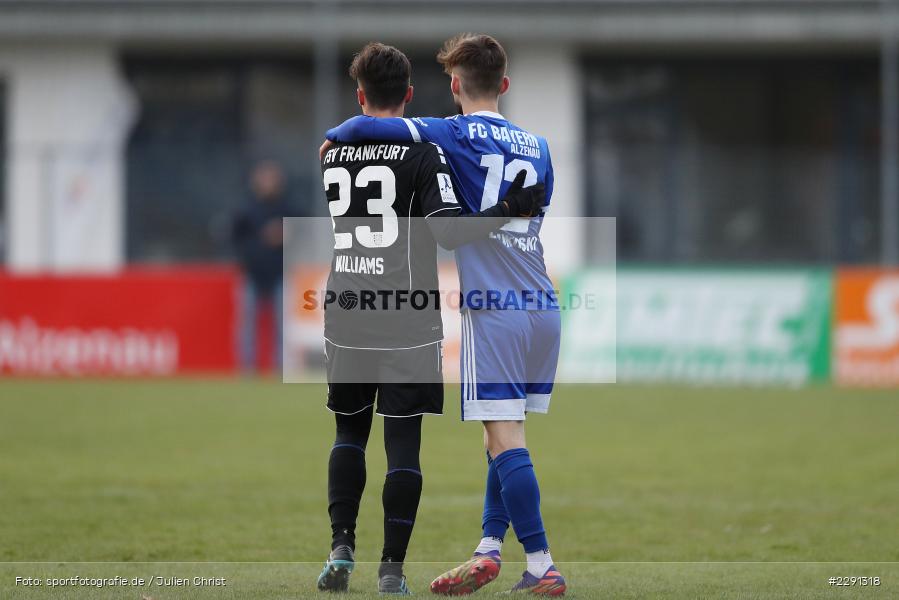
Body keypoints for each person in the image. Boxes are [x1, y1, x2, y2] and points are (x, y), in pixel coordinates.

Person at [322, 34, 566, 596]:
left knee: (504, 438)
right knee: (503, 436)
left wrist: (335, 136)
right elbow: (534, 213)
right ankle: (487, 547)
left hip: (494, 309)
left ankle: (541, 564)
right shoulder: (540, 146)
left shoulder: (445, 133)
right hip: (542, 304)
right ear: (504, 84)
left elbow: (378, 127)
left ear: (454, 87)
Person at [232, 160, 290, 374]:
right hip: (252, 274)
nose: (267, 183)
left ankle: (281, 369)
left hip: (280, 273)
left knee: (282, 326)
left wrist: (285, 233)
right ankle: (246, 370)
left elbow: (303, 233)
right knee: (246, 325)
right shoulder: (245, 209)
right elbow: (234, 238)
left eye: (271, 178)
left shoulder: (287, 207)